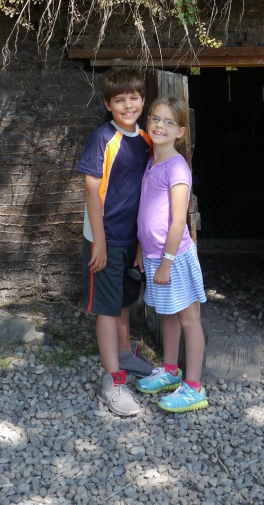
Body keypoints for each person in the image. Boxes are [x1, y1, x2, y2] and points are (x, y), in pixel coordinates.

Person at [76, 67, 155, 417]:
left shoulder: (148, 139)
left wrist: (140, 243)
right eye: (120, 100)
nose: (128, 105)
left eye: (134, 98)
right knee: (107, 310)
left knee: (125, 300)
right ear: (108, 104)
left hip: (131, 238)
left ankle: (124, 353)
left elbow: (149, 193)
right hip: (104, 239)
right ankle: (113, 382)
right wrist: (100, 243)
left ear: (143, 100)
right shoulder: (102, 138)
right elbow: (92, 190)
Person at [134, 96, 209, 412]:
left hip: (172, 258)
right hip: (152, 256)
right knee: (168, 314)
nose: (159, 125)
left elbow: (179, 220)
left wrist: (167, 262)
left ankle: (194, 387)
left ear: (180, 131)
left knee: (188, 319)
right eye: (155, 118)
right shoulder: (152, 161)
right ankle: (170, 370)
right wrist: (141, 250)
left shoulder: (176, 167)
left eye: (167, 121)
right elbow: (146, 211)